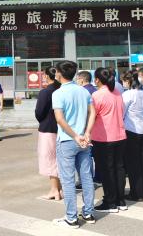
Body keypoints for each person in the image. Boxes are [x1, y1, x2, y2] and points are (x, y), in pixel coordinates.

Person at [52, 61, 95, 229]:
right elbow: (93, 112)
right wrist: (87, 132)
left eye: (56, 71)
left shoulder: (58, 93)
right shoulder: (83, 91)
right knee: (86, 177)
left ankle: (71, 218)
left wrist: (75, 135)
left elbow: (59, 119)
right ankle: (88, 213)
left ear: (59, 73)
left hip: (67, 140)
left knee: (68, 180)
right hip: (84, 140)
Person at [84, 68, 127, 213]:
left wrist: (87, 132)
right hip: (120, 135)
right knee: (119, 168)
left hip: (103, 137)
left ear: (97, 80)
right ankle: (120, 200)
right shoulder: (117, 93)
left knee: (107, 170)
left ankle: (110, 202)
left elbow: (92, 115)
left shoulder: (97, 95)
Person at [35, 66, 62, 200]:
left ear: (46, 76)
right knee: (58, 159)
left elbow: (39, 113)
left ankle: (54, 190)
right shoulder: (61, 89)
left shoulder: (45, 92)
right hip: (62, 128)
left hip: (48, 128)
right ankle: (60, 189)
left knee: (49, 159)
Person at [121, 71, 143, 201]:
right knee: (142, 161)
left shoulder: (127, 94)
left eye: (123, 81)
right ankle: (142, 190)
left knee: (133, 164)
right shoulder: (142, 93)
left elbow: (122, 113)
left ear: (128, 81)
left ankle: (136, 193)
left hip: (131, 129)